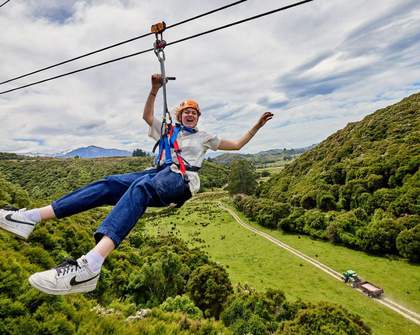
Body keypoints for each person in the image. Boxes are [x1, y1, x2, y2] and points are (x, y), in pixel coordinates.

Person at [0, 74, 273, 295]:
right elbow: (146, 116)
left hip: (181, 179)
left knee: (140, 188)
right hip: (158, 172)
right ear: (180, 116)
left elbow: (236, 145)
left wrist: (257, 126)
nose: (191, 115)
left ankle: (90, 265)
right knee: (108, 184)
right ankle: (31, 217)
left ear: (199, 118)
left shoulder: (205, 137)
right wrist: (154, 90)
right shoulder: (168, 130)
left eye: (195, 113)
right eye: (187, 112)